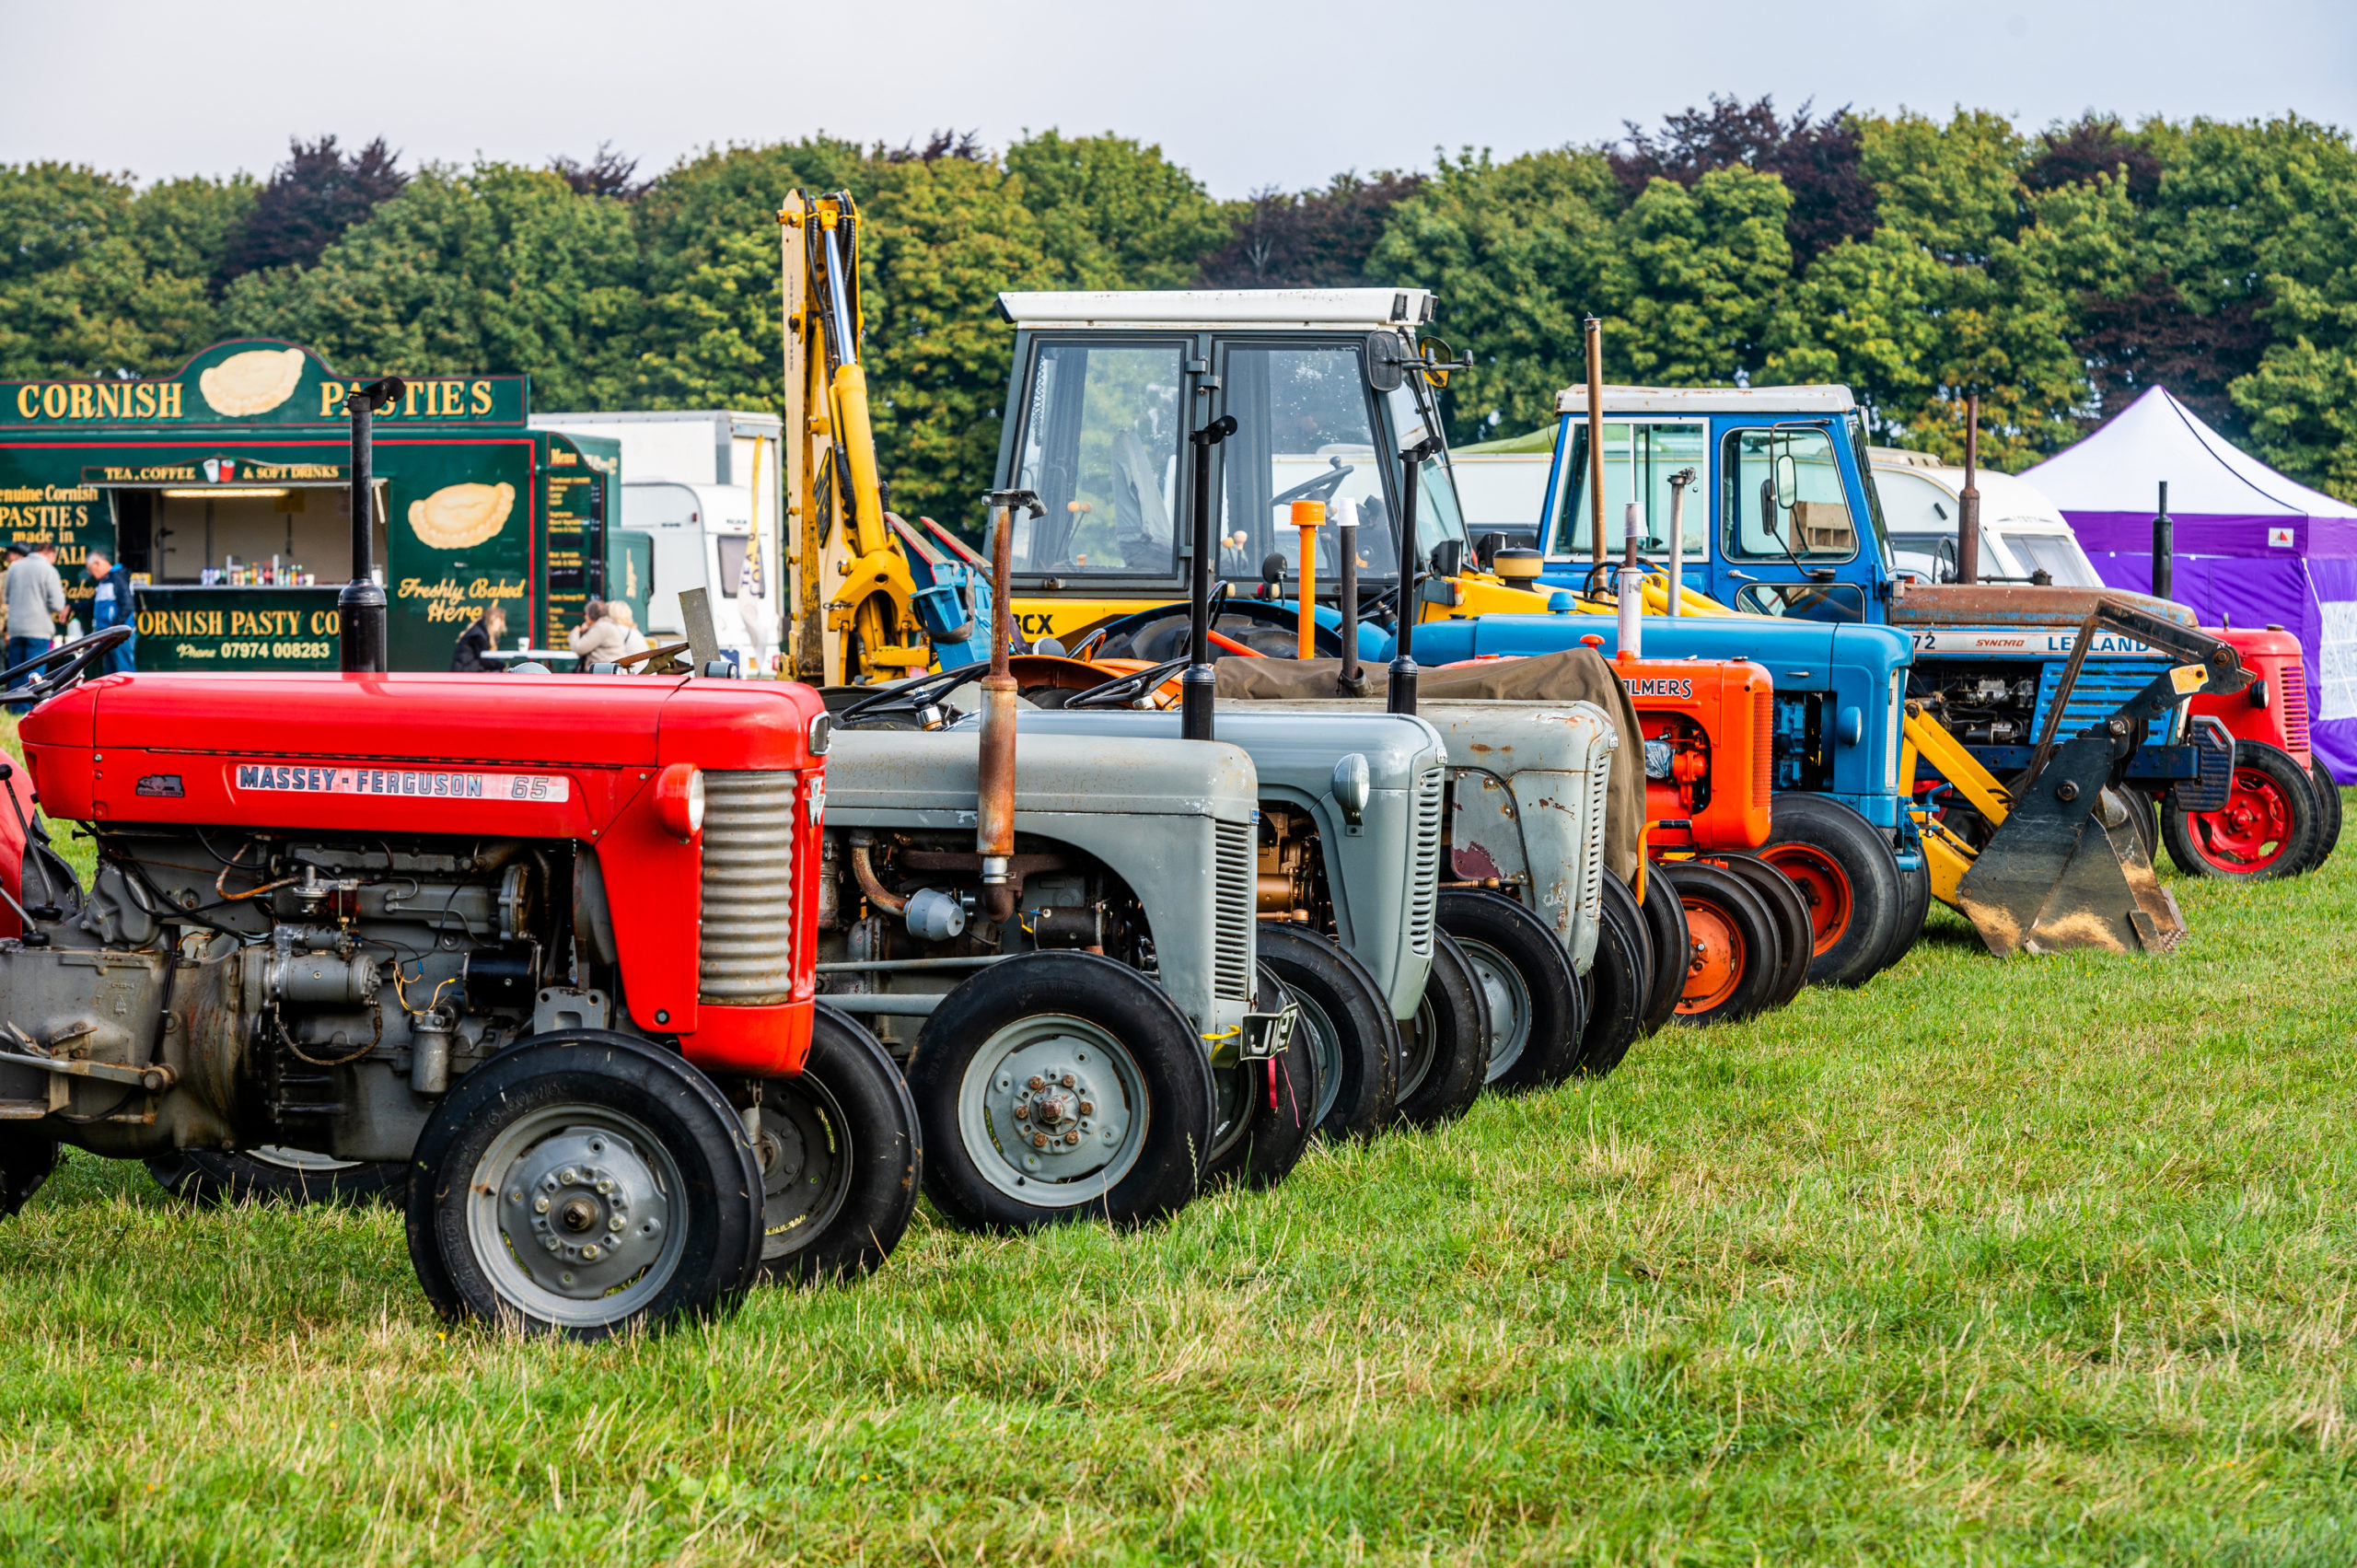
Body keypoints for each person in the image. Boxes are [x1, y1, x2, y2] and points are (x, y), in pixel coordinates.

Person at [6, 540, 66, 712]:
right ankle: (29, 710)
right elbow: (57, 605)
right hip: (38, 629)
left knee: (16, 671)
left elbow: (7, 597)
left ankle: (15, 708)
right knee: (34, 673)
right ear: (50, 554)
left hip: (16, 628)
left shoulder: (14, 568)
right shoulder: (48, 570)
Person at [85, 550, 135, 675]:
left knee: (123, 672)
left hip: (119, 635)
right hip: (110, 635)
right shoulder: (104, 581)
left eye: (90, 569)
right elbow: (91, 603)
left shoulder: (117, 577)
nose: (90, 573)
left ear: (97, 563)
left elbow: (128, 605)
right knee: (111, 674)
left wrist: (115, 626)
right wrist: (71, 607)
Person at [566, 599, 630, 665]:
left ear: (591, 615)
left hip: (606, 669)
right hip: (609, 667)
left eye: (586, 614)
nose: (585, 617)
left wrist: (576, 631)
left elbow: (578, 648)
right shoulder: (606, 624)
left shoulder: (601, 627)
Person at [450, 599, 506, 671]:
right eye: (499, 623)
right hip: (464, 672)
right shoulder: (478, 635)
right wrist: (502, 666)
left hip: (466, 670)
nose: (499, 627)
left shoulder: (480, 631)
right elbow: (485, 660)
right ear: (493, 621)